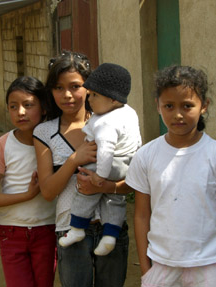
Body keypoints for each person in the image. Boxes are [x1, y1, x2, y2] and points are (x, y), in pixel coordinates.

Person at [126, 65, 216, 287]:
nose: (178, 114)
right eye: (169, 106)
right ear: (158, 106)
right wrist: (147, 272)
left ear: (204, 106)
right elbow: (141, 216)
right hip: (161, 266)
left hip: (210, 266)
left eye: (187, 105)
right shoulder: (146, 156)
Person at [33, 51, 130, 287]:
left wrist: (106, 185)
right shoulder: (45, 132)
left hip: (112, 228)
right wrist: (74, 160)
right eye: (58, 87)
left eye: (75, 86)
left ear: (89, 87)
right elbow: (47, 191)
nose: (67, 95)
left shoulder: (115, 122)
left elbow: (133, 179)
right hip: (71, 231)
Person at [0, 76, 56, 287]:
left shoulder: (55, 143)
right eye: (13, 106)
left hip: (47, 231)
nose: (20, 112)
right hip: (11, 233)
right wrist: (28, 195)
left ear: (44, 108)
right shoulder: (3, 145)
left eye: (28, 105)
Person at [58, 63, 141, 256]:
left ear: (112, 99)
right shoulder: (128, 112)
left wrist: (99, 176)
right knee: (114, 198)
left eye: (95, 95)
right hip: (126, 163)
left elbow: (105, 150)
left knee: (86, 191)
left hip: (108, 164)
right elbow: (137, 140)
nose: (89, 98)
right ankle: (111, 235)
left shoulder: (105, 123)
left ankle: (77, 229)